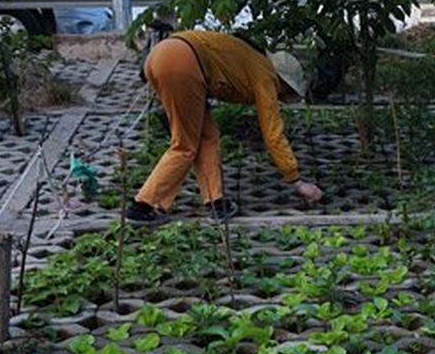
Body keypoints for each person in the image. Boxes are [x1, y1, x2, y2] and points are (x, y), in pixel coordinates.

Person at [125, 31, 323, 226]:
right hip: (181, 62)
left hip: (164, 55)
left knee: (207, 135)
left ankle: (215, 202)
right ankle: (141, 206)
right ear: (284, 82)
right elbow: (273, 133)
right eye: (285, 93)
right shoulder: (266, 76)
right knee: (185, 145)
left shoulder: (253, 60)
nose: (280, 97)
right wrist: (296, 180)